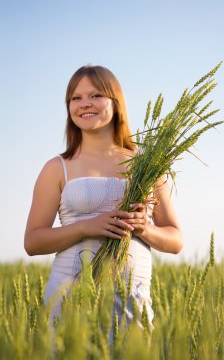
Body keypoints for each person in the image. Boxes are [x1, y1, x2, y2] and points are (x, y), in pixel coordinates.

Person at [24, 65, 183, 334]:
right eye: (76, 98)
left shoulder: (149, 162)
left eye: (96, 95)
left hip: (132, 301)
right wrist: (87, 226)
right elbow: (33, 242)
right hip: (70, 299)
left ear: (115, 101)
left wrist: (144, 228)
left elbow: (176, 240)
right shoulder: (57, 167)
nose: (85, 104)